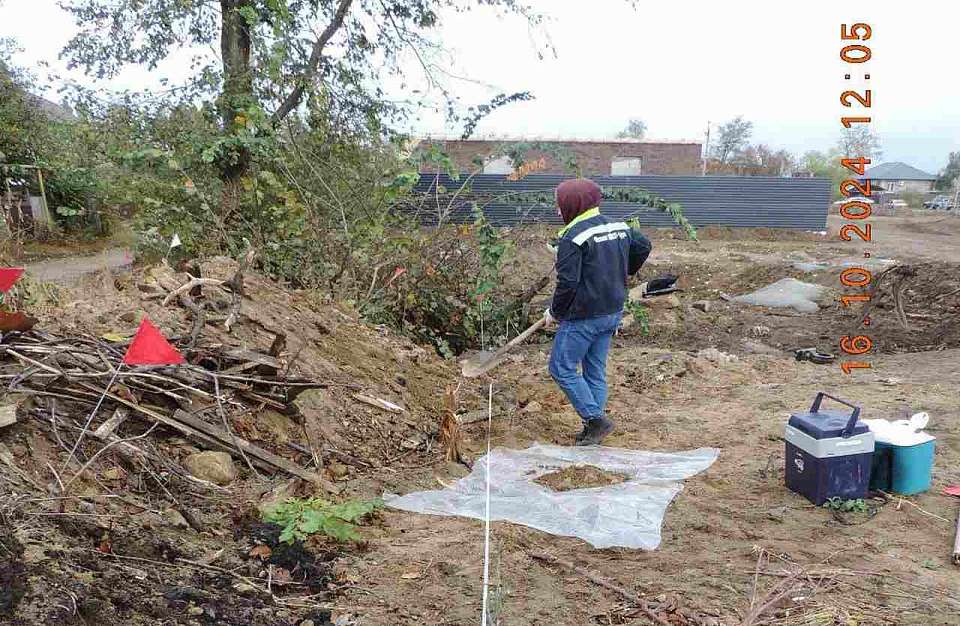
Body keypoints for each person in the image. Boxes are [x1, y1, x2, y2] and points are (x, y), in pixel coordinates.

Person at [544, 178, 651, 446]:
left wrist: (555, 313)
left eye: (560, 205)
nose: (558, 211)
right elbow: (644, 245)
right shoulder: (619, 226)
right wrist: (622, 270)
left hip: (584, 315)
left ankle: (595, 419)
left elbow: (567, 283)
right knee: (594, 371)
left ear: (573, 204)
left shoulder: (572, 237)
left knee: (561, 367)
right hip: (612, 310)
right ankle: (594, 429)